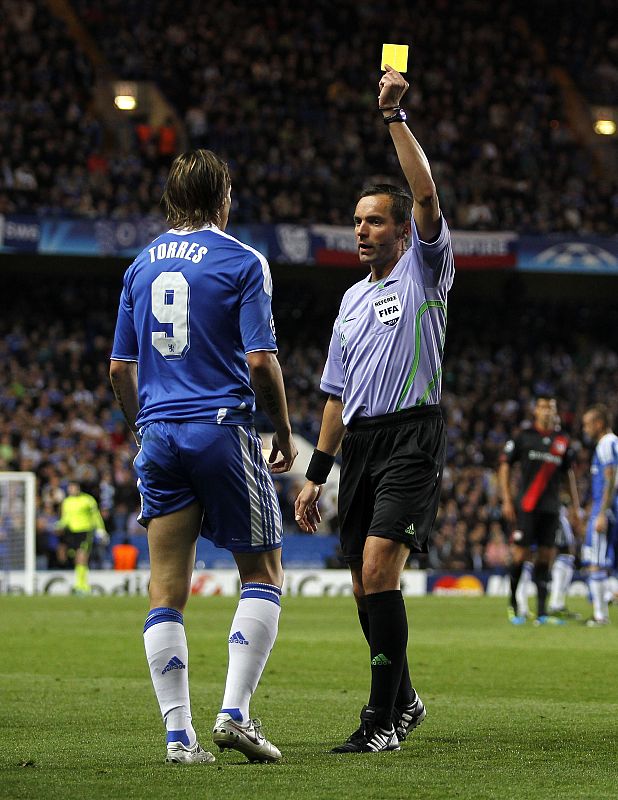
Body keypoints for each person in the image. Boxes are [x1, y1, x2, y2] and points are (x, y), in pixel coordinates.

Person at [109, 149, 297, 765]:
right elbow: (260, 360)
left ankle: (178, 737)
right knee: (263, 572)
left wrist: (143, 426)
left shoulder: (139, 267)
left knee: (166, 588)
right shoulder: (243, 261)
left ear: (170, 199)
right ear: (225, 197)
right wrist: (284, 430)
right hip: (219, 428)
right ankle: (235, 713)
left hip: (159, 434)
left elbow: (119, 368)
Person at [295, 65, 455, 754]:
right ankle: (407, 699)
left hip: (413, 436)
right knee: (365, 587)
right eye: (356, 221)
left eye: (373, 220)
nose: (361, 230)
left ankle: (379, 722)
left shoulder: (426, 269)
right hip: (360, 444)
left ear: (400, 229)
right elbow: (334, 396)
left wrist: (394, 118)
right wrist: (317, 473)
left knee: (382, 567)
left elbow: (426, 194)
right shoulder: (351, 301)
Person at [498, 396, 581, 625]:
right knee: (520, 555)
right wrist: (506, 499)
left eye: (552, 409)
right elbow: (505, 465)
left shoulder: (561, 440)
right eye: (544, 408)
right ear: (536, 411)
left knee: (546, 558)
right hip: (527, 506)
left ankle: (542, 612)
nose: (547, 412)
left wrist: (575, 507)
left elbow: (569, 475)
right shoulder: (524, 436)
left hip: (551, 508)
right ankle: (513, 605)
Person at [581, 404, 618, 626]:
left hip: (606, 508)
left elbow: (610, 475)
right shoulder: (615, 442)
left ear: (599, 424)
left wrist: (602, 513)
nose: (584, 429)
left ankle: (600, 615)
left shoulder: (605, 443)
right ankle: (607, 598)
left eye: (587, 424)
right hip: (613, 506)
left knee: (596, 561)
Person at [56, 480, 107, 594]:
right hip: (71, 533)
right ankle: (80, 585)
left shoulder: (88, 500)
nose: (72, 489)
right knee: (76, 559)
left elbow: (96, 516)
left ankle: (82, 586)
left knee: (81, 557)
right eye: (70, 488)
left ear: (78, 488)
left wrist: (100, 529)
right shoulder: (66, 502)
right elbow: (66, 518)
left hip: (85, 531)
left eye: (74, 487)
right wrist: (59, 525)